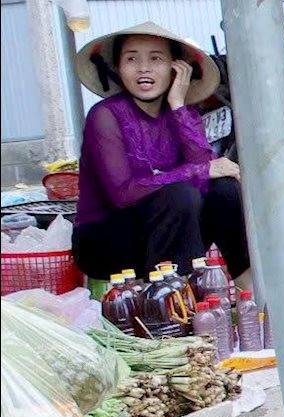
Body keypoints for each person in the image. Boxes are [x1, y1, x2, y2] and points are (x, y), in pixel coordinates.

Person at [69, 24, 250, 285]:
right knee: (180, 193)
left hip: (172, 225)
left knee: (223, 189)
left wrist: (178, 104)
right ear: (118, 69)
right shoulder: (105, 115)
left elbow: (205, 174)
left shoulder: (184, 114)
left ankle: (252, 294)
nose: (144, 68)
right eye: (132, 59)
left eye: (156, 59)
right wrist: (195, 172)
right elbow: (122, 194)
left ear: (176, 69)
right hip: (106, 239)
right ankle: (171, 301)